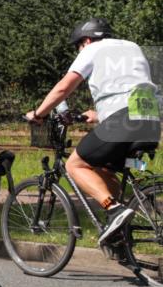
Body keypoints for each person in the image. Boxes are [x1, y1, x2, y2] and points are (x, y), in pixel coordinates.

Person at [26, 18, 161, 248]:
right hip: (150, 121)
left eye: (78, 46)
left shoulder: (92, 49)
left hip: (122, 121)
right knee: (104, 168)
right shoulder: (133, 47)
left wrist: (39, 113)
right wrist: (99, 115)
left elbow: (63, 87)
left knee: (75, 165)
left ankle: (114, 209)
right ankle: (121, 233)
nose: (79, 50)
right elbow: (132, 88)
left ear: (86, 40)